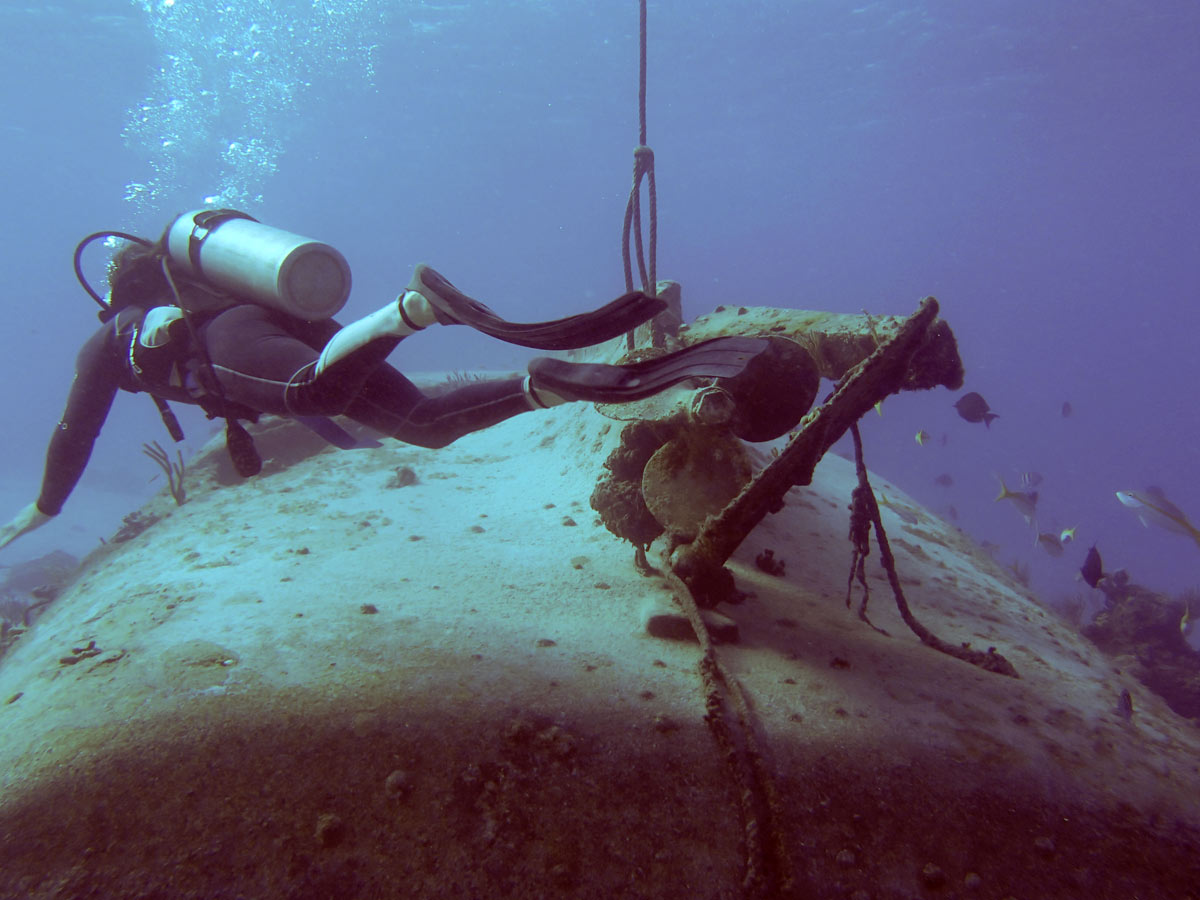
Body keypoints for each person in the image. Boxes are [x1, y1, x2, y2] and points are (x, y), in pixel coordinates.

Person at [0, 210, 766, 551]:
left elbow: (77, 427)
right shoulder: (202, 298)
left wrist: (44, 507)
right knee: (424, 426)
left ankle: (411, 311)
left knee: (307, 392)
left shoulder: (114, 336)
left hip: (240, 346)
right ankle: (548, 383)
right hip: (291, 329)